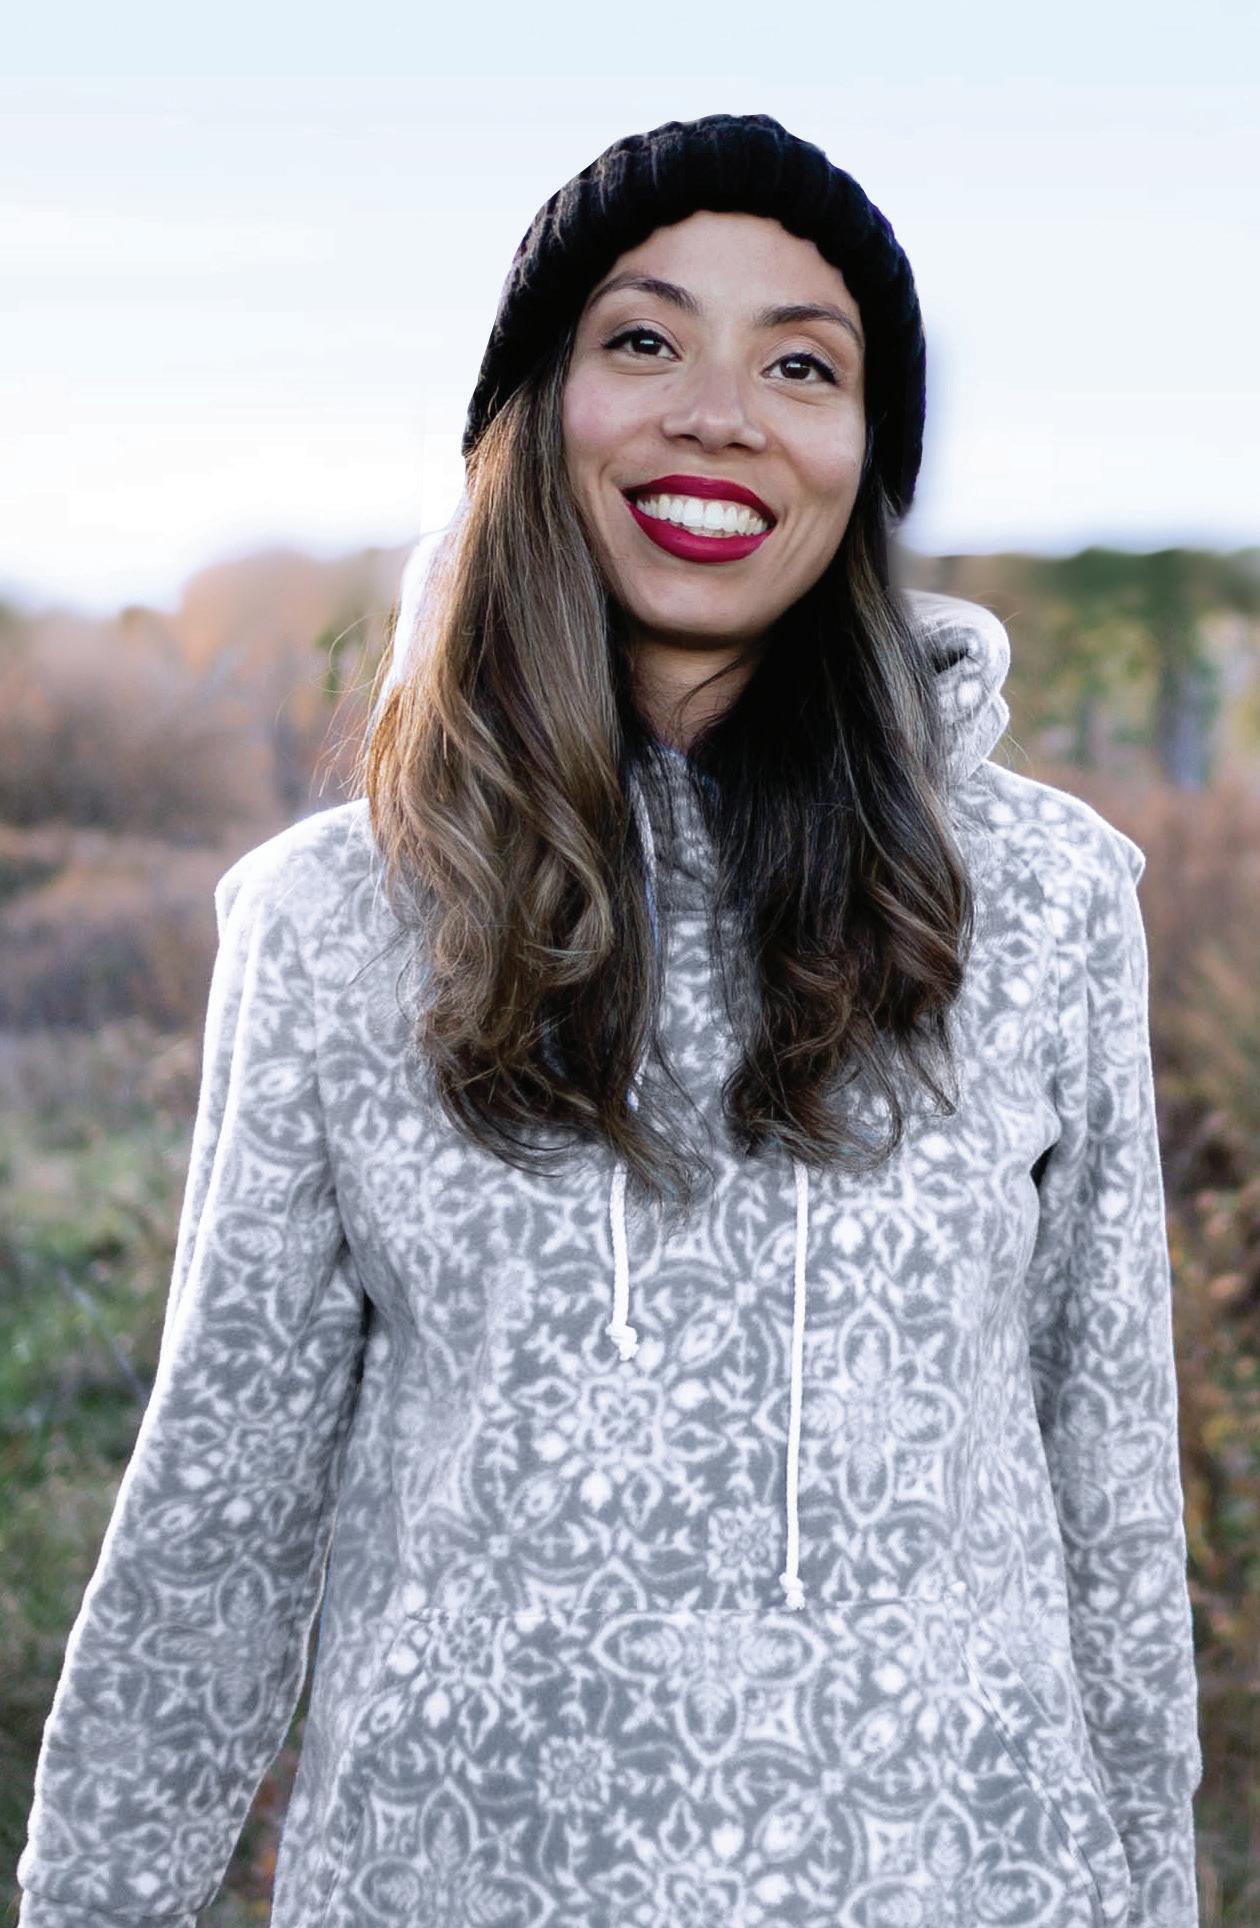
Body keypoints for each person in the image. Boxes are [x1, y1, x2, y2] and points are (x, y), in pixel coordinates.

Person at [16, 112, 1202, 1928]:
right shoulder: (334, 920)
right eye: (644, 340)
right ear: (531, 413)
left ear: (866, 457)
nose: (719, 414)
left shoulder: (1045, 903)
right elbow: (217, 1524)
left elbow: (1111, 1501)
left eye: (801, 365)